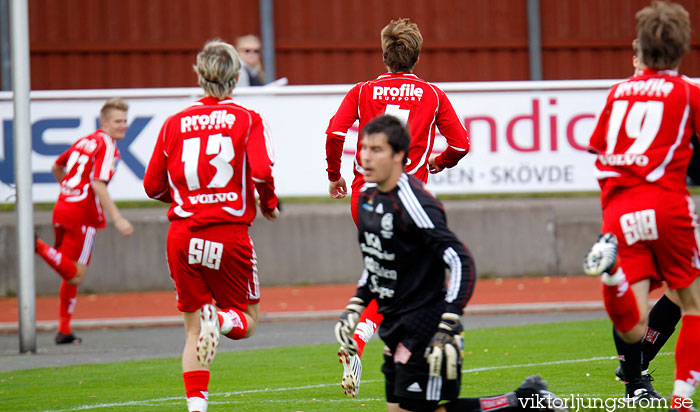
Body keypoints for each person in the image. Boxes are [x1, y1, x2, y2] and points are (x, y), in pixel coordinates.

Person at [335, 115, 563, 412]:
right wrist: (356, 303)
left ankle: (522, 401)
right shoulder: (366, 197)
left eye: (376, 149)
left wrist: (449, 322)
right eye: (363, 147)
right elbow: (378, 259)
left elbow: (460, 259)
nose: (365, 156)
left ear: (399, 156)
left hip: (425, 325)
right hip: (394, 324)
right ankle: (523, 398)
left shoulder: (415, 202)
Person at [325, 17, 470, 397]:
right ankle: (397, 350)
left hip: (365, 197)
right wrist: (440, 162)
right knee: (415, 283)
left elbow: (334, 132)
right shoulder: (433, 95)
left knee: (386, 272)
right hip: (408, 199)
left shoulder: (362, 91)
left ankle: (373, 344)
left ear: (384, 53)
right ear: (417, 54)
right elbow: (461, 144)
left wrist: (334, 174)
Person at [143, 39, 279, 412]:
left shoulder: (174, 123)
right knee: (247, 321)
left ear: (199, 75)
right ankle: (218, 319)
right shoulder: (247, 118)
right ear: (237, 76)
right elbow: (263, 171)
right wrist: (268, 204)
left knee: (192, 331)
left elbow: (152, 185)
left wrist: (191, 196)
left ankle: (197, 409)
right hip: (228, 232)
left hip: (183, 235)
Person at [583, 3, 700, 411]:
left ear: (641, 50)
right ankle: (682, 401)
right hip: (666, 204)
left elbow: (598, 144)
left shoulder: (618, 93)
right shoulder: (687, 91)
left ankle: (613, 278)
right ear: (682, 46)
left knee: (632, 325)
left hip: (619, 210)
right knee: (696, 304)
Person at [604, 37, 683, 398]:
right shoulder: (676, 92)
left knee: (675, 294)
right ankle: (642, 381)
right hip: (649, 211)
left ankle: (636, 367)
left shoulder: (623, 95)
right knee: (676, 297)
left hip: (641, 211)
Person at [35, 98, 134, 345]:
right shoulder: (108, 145)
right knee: (77, 275)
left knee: (69, 274)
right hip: (83, 213)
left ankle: (64, 329)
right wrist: (118, 218)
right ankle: (35, 244)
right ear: (104, 122)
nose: (123, 125)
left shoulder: (86, 140)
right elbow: (98, 183)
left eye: (125, 121)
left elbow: (57, 166)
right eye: (117, 121)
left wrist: (69, 188)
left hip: (64, 206)